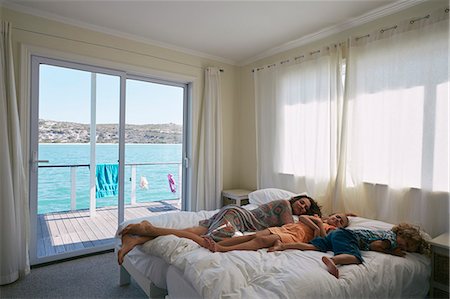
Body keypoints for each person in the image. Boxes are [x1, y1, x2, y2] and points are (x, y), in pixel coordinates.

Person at [117, 194, 321, 264]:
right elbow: (287, 228)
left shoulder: (288, 209)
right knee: (209, 242)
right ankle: (147, 228)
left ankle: (139, 236)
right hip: (237, 217)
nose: (301, 207)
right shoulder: (285, 205)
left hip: (231, 214)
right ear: (296, 199)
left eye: (305, 207)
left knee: (192, 230)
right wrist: (316, 221)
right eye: (301, 202)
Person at [269, 222, 430, 279]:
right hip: (347, 236)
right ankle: (333, 261)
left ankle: (282, 246)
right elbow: (376, 246)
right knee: (355, 257)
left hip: (336, 235)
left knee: (314, 246)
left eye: (409, 249)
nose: (405, 248)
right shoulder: (391, 240)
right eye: (406, 244)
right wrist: (391, 252)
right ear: (400, 234)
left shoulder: (390, 236)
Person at [205, 213, 350, 253]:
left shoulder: (330, 230)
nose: (337, 220)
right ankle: (216, 243)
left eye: (340, 221)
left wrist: (319, 229)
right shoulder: (318, 218)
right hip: (286, 228)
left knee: (261, 241)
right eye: (337, 216)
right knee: (253, 235)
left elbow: (321, 241)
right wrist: (317, 224)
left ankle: (222, 249)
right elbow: (302, 217)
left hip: (295, 237)